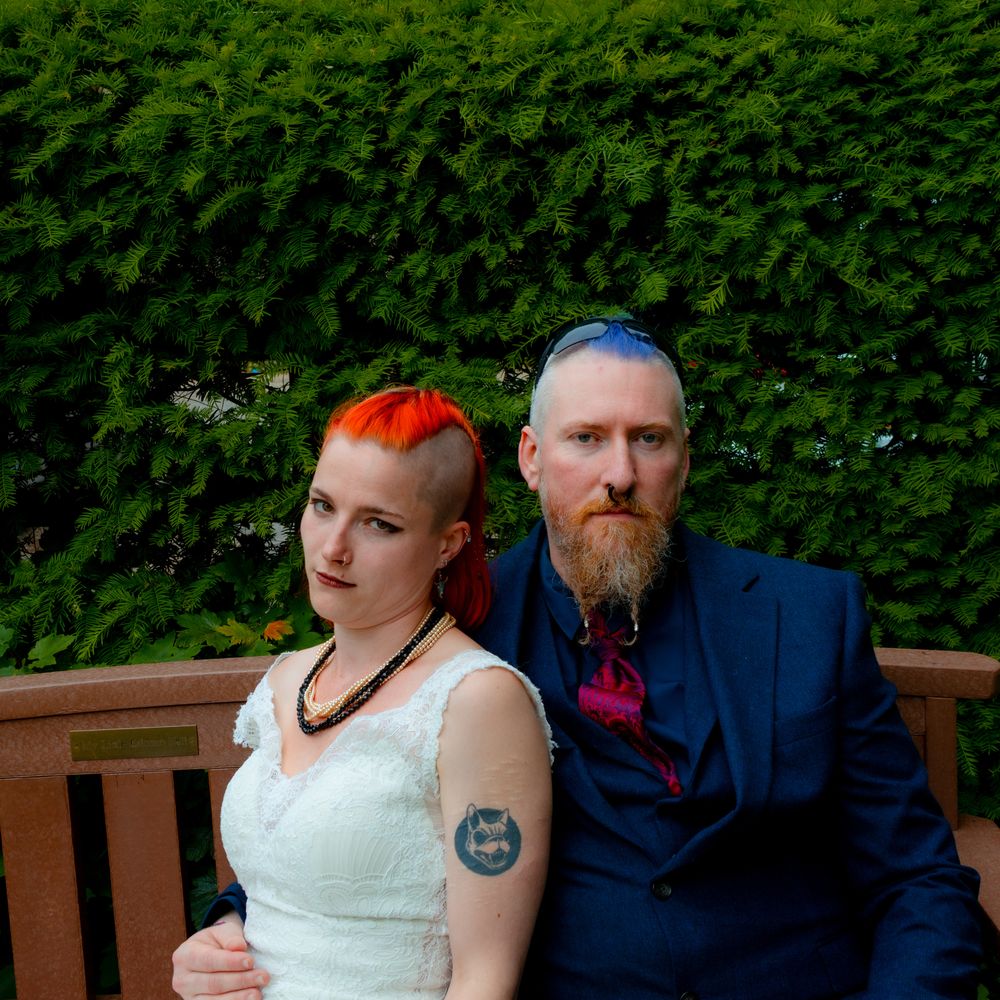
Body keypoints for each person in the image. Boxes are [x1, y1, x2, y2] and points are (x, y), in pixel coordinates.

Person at [174, 319, 983, 1000]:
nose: (619, 474)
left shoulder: (806, 617)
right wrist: (234, 919)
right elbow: (352, 797)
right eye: (587, 439)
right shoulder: (455, 631)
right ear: (532, 458)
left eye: (648, 440)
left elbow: (915, 878)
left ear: (684, 459)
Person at [182, 386, 552, 1000]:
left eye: (379, 523)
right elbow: (282, 885)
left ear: (448, 543)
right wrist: (220, 940)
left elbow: (484, 980)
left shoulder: (476, 703)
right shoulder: (287, 680)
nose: (334, 548)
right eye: (322, 506)